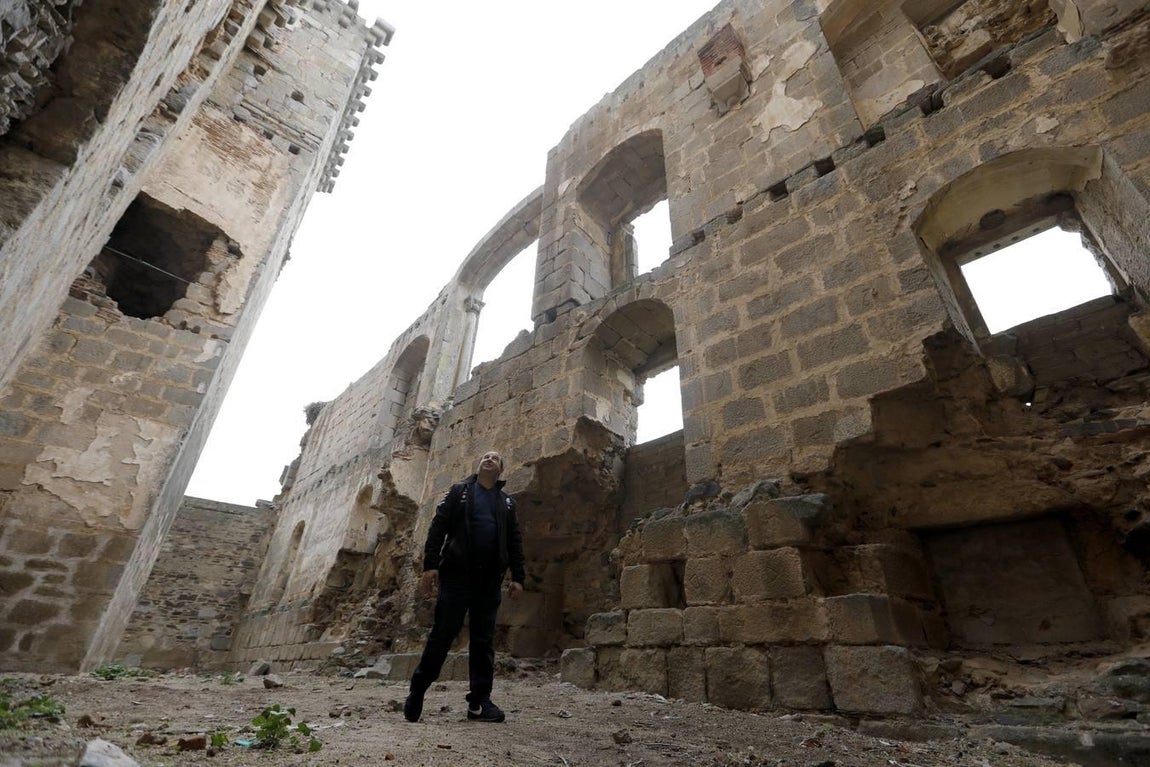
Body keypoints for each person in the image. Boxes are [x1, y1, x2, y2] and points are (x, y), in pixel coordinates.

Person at [403, 450, 525, 724]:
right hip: (458, 576)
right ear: (479, 464)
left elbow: (514, 541)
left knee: (483, 642)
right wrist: (430, 565)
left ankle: (479, 703)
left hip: (489, 581)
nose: (489, 458)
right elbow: (438, 527)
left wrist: (518, 576)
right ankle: (418, 689)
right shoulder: (460, 492)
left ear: (501, 470)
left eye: (495, 457)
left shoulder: (507, 503)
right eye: (485, 456)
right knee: (442, 634)